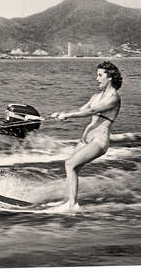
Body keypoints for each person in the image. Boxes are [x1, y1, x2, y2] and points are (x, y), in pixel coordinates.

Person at [49, 61, 123, 212]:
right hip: (86, 137)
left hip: (99, 140)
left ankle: (73, 206)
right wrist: (62, 114)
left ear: (109, 78)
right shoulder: (95, 96)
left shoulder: (114, 98)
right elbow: (81, 109)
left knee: (70, 164)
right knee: (72, 168)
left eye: (100, 75)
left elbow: (92, 111)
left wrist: (68, 115)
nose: (96, 78)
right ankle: (70, 202)